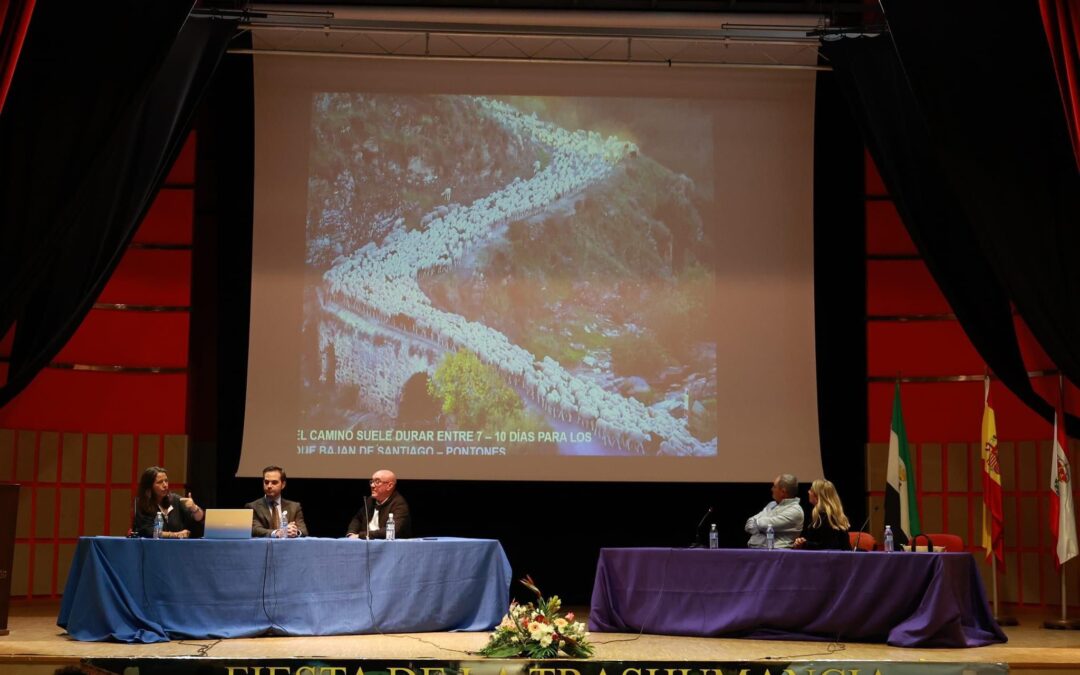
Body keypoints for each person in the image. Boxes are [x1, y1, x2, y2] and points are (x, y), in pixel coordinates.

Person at [132, 466, 203, 539]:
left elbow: (198, 520)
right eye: (159, 482)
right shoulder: (141, 504)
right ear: (149, 486)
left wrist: (195, 508)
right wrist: (176, 535)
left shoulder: (175, 500)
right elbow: (148, 531)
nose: (165, 485)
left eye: (166, 481)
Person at [346, 469, 411, 539]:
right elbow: (358, 519)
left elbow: (392, 530)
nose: (372, 485)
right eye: (372, 482)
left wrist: (361, 535)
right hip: (366, 543)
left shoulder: (399, 504)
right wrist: (351, 533)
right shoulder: (370, 500)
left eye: (377, 482)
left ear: (390, 486)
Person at [246, 465, 308, 538]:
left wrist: (295, 531)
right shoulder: (252, 506)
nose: (269, 486)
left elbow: (303, 530)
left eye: (274, 482)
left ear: (283, 484)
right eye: (266, 482)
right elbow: (255, 529)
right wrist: (276, 533)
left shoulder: (294, 507)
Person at [745, 473, 803, 548]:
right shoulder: (771, 504)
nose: (772, 489)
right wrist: (760, 527)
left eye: (774, 487)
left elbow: (765, 525)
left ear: (783, 492)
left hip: (777, 555)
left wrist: (757, 524)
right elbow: (749, 523)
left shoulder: (795, 511)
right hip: (756, 551)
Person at [794, 479, 850, 551]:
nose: (808, 492)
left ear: (818, 495)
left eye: (811, 490)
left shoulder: (827, 518)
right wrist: (804, 542)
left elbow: (826, 548)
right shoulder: (828, 516)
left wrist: (804, 544)